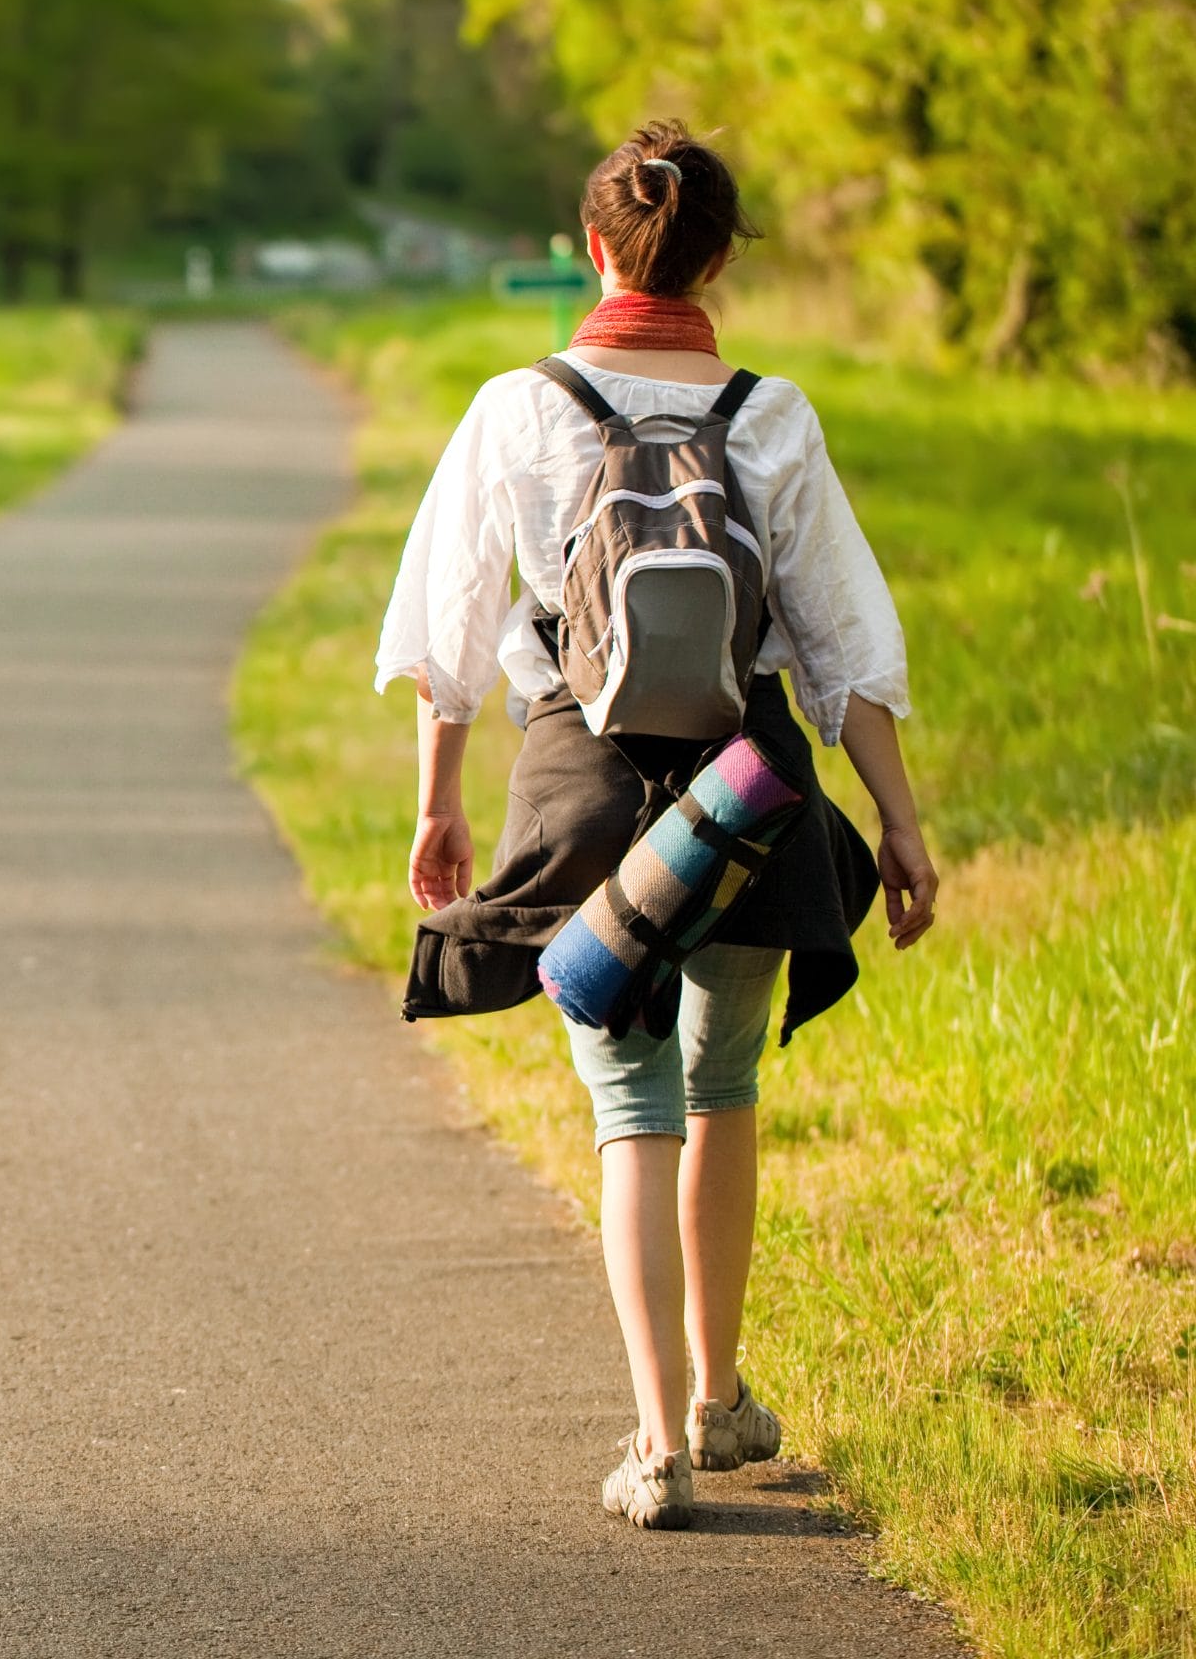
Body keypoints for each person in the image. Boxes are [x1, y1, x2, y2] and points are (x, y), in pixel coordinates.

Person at [374, 120, 940, 1529]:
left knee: (633, 1106)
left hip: (580, 782)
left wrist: (440, 802)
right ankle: (720, 1393)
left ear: (592, 249)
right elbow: (845, 647)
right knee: (724, 1082)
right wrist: (901, 823)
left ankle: (656, 1446)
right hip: (751, 787)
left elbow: (451, 631)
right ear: (717, 263)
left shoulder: (523, 404)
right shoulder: (774, 414)